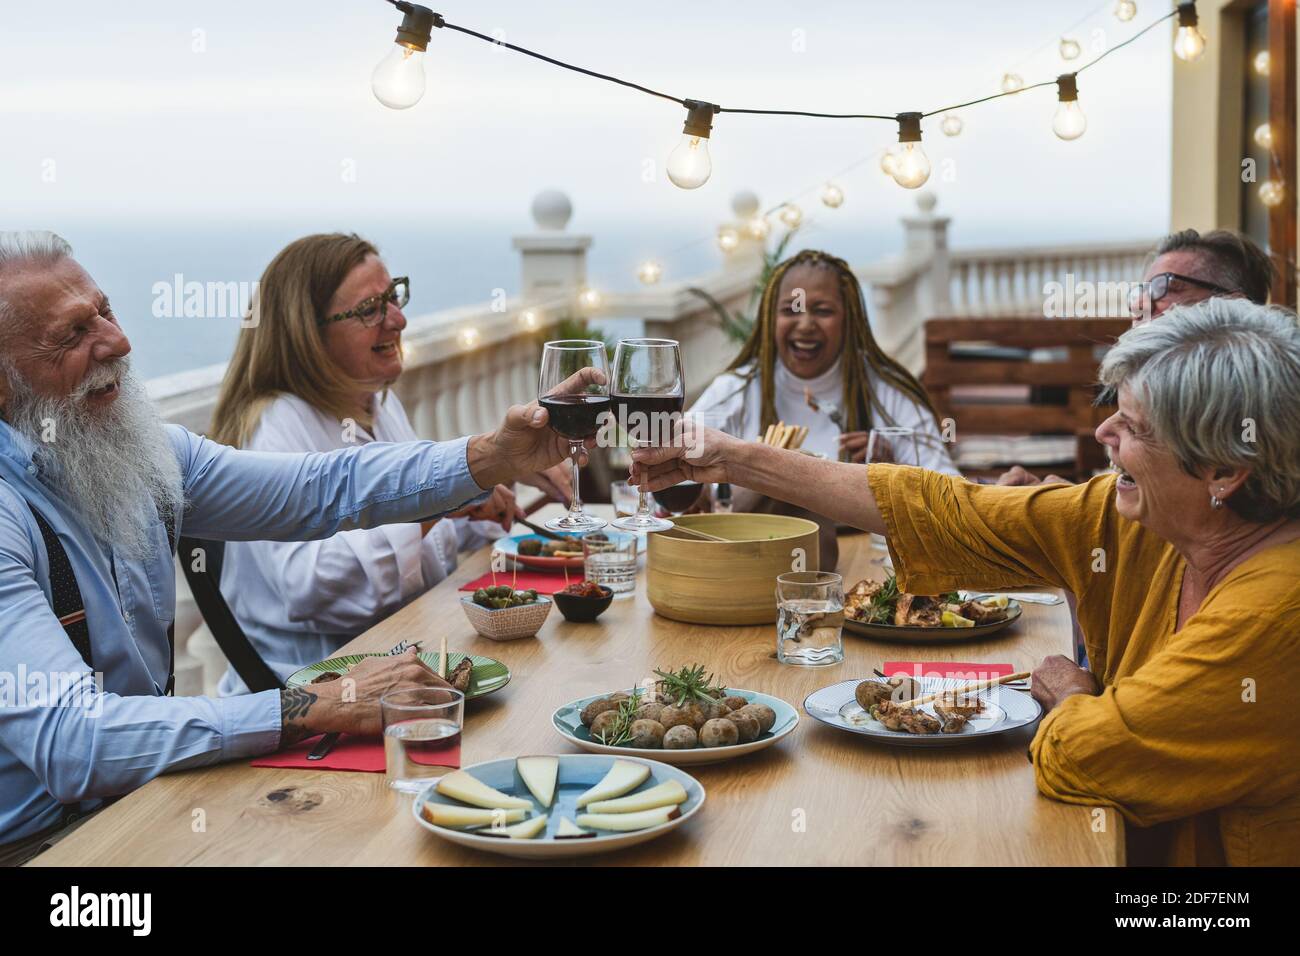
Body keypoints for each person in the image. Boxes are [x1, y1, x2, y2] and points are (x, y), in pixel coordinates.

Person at [633, 297, 1300, 866]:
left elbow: (1086, 757)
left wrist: (1074, 697)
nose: (1102, 433)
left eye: (1132, 428)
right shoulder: (1139, 519)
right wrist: (730, 457)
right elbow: (950, 511)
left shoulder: (1274, 615)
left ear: (1222, 472)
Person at [0, 231, 589, 861]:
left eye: (107, 313)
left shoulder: (142, 450)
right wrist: (314, 706)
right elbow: (74, 743)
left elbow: (321, 488)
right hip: (47, 844)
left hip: (150, 791)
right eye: (72, 335)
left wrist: (490, 456)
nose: (119, 343)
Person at [208, 234, 568, 694]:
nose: (397, 319)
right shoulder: (274, 427)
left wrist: (472, 506)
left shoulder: (376, 403)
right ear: (307, 334)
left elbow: (411, 548)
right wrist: (443, 502)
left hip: (401, 667)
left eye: (393, 297)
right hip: (313, 694)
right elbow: (308, 585)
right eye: (369, 309)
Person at [689, 249, 958, 567]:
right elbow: (667, 487)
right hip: (752, 563)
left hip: (866, 563)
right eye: (791, 310)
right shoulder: (735, 391)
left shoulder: (889, 392)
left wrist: (895, 474)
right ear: (769, 319)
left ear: (850, 320)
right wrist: (697, 492)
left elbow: (948, 493)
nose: (805, 324)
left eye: (823, 311)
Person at [999, 227, 1275, 487]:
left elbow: (1177, 520)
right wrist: (1063, 500)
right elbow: (1147, 505)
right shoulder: (1149, 387)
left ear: (1232, 305)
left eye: (1166, 286)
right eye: (1142, 290)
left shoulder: (1239, 405)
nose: (1140, 303)